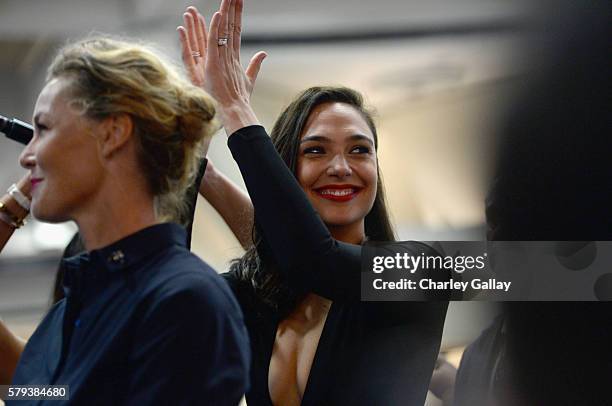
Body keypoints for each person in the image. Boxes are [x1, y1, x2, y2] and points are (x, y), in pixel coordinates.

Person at [178, 2, 448, 405]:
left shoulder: (420, 270)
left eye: (360, 150)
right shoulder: (256, 298)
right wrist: (192, 155)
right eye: (316, 151)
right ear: (286, 167)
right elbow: (166, 285)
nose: (341, 167)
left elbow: (315, 260)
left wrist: (237, 111)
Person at [5, 36, 250, 405]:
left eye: (43, 129)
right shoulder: (71, 311)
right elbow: (37, 394)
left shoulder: (183, 301)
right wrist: (18, 200)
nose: (26, 156)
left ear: (113, 133)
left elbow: (318, 260)